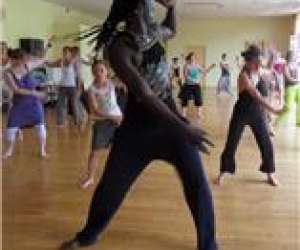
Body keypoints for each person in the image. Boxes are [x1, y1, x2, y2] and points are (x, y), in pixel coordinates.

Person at [60, 1, 217, 250]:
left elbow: (171, 29)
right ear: (134, 11)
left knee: (197, 184)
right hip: (138, 129)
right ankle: (87, 236)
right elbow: (146, 94)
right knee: (111, 187)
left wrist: (173, 7)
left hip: (171, 123)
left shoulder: (154, 34)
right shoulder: (119, 48)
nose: (150, 10)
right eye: (146, 6)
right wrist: (183, 128)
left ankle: (209, 246)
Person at [215, 45, 282, 187]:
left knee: (266, 143)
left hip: (257, 113)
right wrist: (273, 110)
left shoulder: (258, 70)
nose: (257, 65)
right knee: (232, 142)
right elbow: (257, 96)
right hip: (242, 112)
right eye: (254, 62)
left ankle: (270, 173)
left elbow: (270, 71)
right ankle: (224, 172)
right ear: (247, 61)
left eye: (258, 61)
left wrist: (273, 58)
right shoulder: (243, 76)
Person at [80, 60, 123, 189]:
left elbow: (124, 78)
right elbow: (94, 111)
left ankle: (118, 177)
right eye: (96, 71)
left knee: (119, 150)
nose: (99, 73)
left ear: (107, 71)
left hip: (118, 120)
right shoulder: (91, 90)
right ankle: (90, 178)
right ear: (93, 72)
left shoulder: (112, 83)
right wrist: (113, 117)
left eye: (102, 70)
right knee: (95, 152)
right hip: (103, 121)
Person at [2, 48, 47, 159]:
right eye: (21, 60)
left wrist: (47, 48)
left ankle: (42, 150)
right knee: (11, 128)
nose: (24, 62)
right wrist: (35, 93)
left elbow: (42, 59)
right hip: (19, 104)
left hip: (33, 104)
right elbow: (16, 89)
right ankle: (9, 150)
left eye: (24, 60)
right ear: (14, 60)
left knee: (41, 126)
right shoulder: (7, 73)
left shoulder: (28, 66)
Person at [48, 47, 84, 128]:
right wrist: (45, 62)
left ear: (70, 53)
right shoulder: (60, 61)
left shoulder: (74, 62)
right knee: (60, 104)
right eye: (64, 52)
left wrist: (79, 87)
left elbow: (78, 75)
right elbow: (51, 64)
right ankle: (60, 122)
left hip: (72, 87)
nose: (65, 54)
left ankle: (78, 121)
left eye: (66, 52)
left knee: (74, 104)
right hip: (62, 86)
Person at [180, 52, 215, 118]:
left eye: (193, 57)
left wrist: (210, 67)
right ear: (189, 58)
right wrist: (194, 80)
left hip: (196, 86)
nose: (192, 59)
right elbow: (186, 76)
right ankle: (183, 113)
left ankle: (199, 114)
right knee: (184, 99)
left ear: (195, 58)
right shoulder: (186, 66)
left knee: (198, 99)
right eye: (191, 58)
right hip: (188, 85)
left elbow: (204, 71)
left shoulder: (197, 65)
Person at [276, 50, 300, 127]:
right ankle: (277, 122)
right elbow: (288, 78)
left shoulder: (295, 65)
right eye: (292, 55)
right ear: (288, 56)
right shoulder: (285, 66)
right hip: (289, 88)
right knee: (288, 107)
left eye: (294, 55)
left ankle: (298, 122)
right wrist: (298, 80)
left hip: (297, 87)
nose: (293, 57)